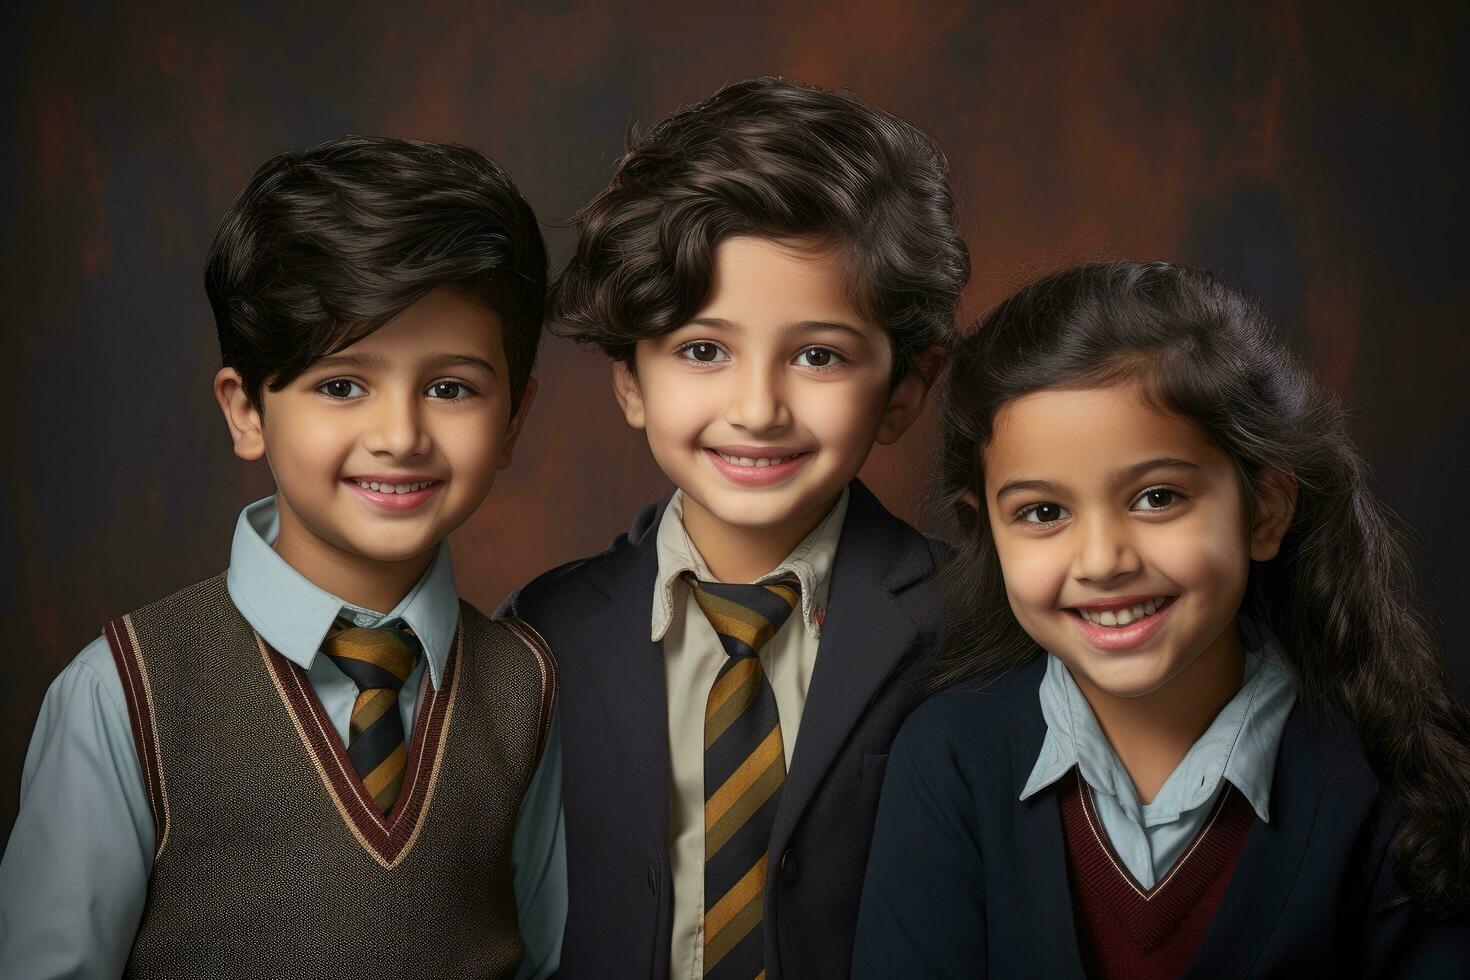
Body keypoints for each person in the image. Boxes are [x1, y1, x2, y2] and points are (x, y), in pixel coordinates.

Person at [0, 136, 565, 979]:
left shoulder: (528, 688)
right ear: (246, 411)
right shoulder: (127, 692)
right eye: (341, 384)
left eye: (451, 388)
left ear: (514, 419)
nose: (400, 436)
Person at [854, 260, 1470, 977]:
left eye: (1156, 498)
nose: (1103, 559)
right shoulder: (950, 759)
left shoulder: (1391, 780)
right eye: (1043, 513)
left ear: (1264, 509)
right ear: (986, 532)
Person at [500, 76, 969, 979]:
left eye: (819, 355)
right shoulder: (544, 634)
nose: (757, 408)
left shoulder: (975, 624)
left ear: (905, 389)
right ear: (631, 381)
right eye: (703, 350)